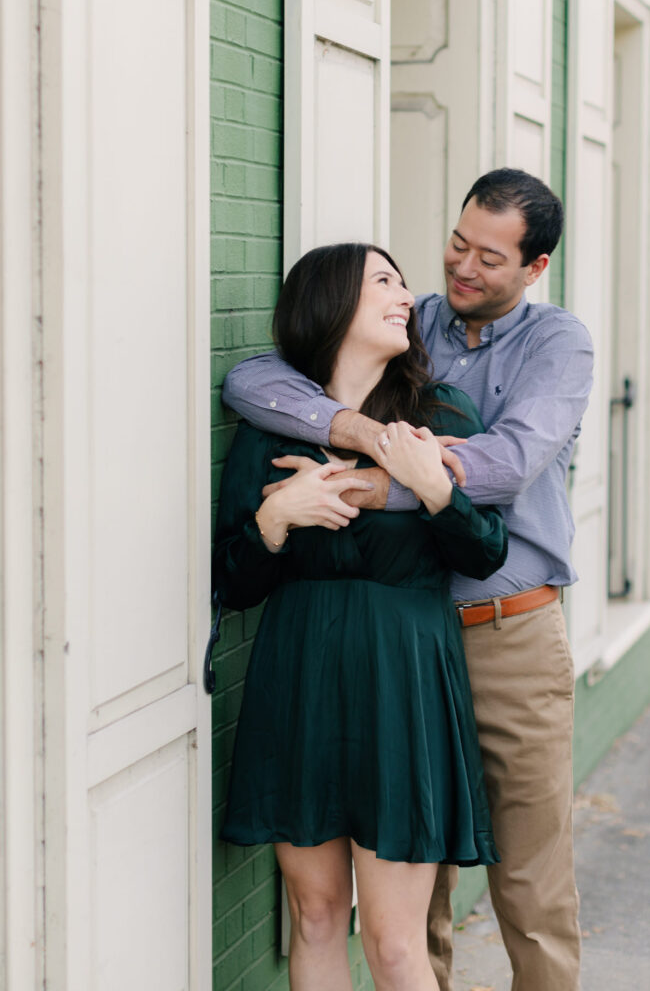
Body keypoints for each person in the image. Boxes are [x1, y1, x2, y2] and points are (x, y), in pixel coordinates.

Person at [223, 168, 594, 991]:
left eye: (489, 258)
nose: (461, 267)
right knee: (412, 918)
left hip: (502, 629)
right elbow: (252, 382)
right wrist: (357, 432)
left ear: (533, 267)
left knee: (527, 879)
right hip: (389, 638)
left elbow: (504, 467)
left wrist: (368, 485)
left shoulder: (555, 343)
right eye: (458, 244)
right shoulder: (415, 319)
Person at [213, 242, 508, 991]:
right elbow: (235, 581)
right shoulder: (272, 426)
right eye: (384, 281)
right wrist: (276, 519)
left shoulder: (440, 413)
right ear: (331, 303)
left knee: (394, 943)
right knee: (314, 917)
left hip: (403, 677)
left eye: (403, 283)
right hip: (300, 672)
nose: (407, 296)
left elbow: (485, 553)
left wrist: (434, 491)